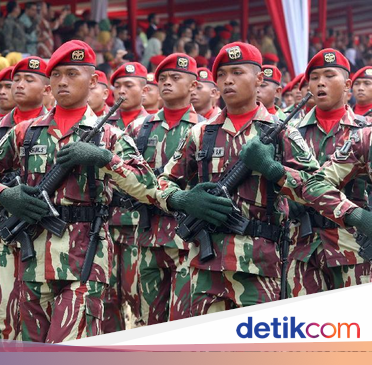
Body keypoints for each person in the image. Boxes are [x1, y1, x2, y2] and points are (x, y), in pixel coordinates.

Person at [0, 40, 158, 343]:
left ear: (93, 81)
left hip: (85, 257)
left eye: (72, 73)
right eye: (56, 75)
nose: (63, 82)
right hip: (31, 258)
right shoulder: (25, 132)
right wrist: (5, 195)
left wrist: (108, 159)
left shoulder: (109, 135)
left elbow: (149, 187)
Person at [160, 42, 317, 316]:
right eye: (221, 75)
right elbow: (163, 182)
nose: (228, 80)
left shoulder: (282, 134)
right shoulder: (201, 133)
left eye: (237, 72)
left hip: (261, 267)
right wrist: (183, 199)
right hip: (205, 267)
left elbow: (316, 188)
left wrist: (275, 171)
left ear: (259, 79)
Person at [0, 56, 50, 340]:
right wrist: (0, 193)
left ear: (47, 88)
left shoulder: (55, 129)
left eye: (29, 79)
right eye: (16, 79)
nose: (18, 85)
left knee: (38, 308)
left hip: (43, 229)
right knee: (0, 304)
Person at [281, 49, 372, 296]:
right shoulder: (289, 133)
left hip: (353, 247)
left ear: (347, 85)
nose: (320, 82)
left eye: (330, 75)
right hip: (302, 248)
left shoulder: (365, 132)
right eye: (314, 77)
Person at [128, 54, 205, 324]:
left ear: (193, 86)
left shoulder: (204, 129)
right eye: (162, 79)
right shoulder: (138, 128)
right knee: (148, 321)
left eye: (175, 78)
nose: (167, 83)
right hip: (147, 235)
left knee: (184, 320)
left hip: (188, 239)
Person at [104, 61, 152, 332]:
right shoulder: (101, 124)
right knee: (108, 294)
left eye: (129, 86)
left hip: (138, 222)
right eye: (117, 86)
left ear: (144, 91)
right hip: (107, 221)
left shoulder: (151, 124)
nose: (121, 91)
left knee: (138, 292)